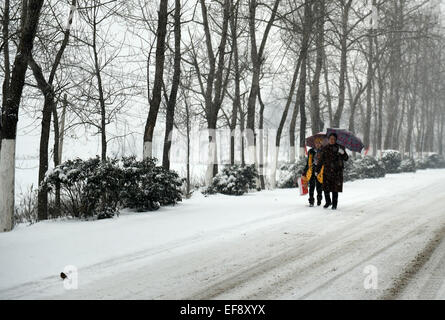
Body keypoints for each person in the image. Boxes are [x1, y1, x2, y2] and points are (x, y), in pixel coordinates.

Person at [316, 133, 349, 210]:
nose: (332, 140)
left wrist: (343, 153)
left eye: (333, 139)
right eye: (330, 139)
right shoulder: (325, 148)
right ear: (328, 139)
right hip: (327, 171)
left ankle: (334, 204)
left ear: (335, 140)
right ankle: (328, 202)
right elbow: (320, 160)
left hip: (337, 172)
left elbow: (346, 158)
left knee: (335, 189)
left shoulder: (339, 148)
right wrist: (317, 170)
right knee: (325, 188)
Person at [302, 138, 324, 207]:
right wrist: (304, 172)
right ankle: (311, 201)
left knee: (319, 186)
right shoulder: (310, 151)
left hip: (319, 170)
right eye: (316, 143)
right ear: (314, 143)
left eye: (319, 143)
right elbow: (308, 162)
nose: (317, 144)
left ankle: (319, 199)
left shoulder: (323, 151)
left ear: (321, 143)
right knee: (311, 186)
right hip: (312, 170)